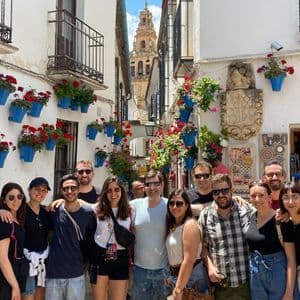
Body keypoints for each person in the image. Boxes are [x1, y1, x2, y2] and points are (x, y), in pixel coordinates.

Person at [199, 174, 252, 300]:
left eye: (225, 190)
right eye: (216, 191)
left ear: (232, 190)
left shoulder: (245, 210)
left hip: (246, 282)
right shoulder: (205, 215)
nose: (221, 195)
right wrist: (210, 266)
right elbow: (202, 247)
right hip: (220, 284)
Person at [45, 174, 96, 300]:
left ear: (79, 189)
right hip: (54, 273)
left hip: (76, 274)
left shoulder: (88, 212)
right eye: (65, 188)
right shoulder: (54, 210)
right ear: (61, 191)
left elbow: (92, 239)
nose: (69, 191)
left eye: (73, 188)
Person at [0, 177, 52, 300]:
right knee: (27, 295)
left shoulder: (45, 211)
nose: (40, 192)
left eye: (44, 190)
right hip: (23, 264)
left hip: (40, 262)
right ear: (29, 190)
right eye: (37, 189)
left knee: (40, 295)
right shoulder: (10, 217)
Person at [248, 180, 295, 300]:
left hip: (277, 272)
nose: (257, 199)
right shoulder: (249, 217)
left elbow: (291, 259)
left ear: (269, 197)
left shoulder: (281, 221)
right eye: (253, 196)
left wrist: (289, 292)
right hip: (255, 272)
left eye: (261, 195)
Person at [90, 176, 133, 300]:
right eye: (109, 190)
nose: (113, 193)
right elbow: (80, 204)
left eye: (116, 189)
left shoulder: (130, 210)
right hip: (100, 257)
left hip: (121, 258)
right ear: (105, 192)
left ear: (122, 191)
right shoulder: (97, 209)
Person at [130, 169, 170, 300]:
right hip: (139, 270)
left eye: (156, 183)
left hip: (163, 271)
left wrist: (233, 198)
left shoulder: (170, 205)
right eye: (148, 184)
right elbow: (108, 206)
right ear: (144, 187)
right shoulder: (135, 205)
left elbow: (193, 208)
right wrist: (64, 202)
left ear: (162, 185)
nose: (152, 187)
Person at [164, 189, 209, 299]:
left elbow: (189, 260)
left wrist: (178, 288)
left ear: (187, 206)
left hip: (191, 279)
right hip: (179, 277)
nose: (175, 206)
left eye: (179, 203)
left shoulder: (190, 225)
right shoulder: (174, 224)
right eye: (171, 203)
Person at [0, 182, 27, 300]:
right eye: (11, 197)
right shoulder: (5, 220)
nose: (16, 200)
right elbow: (2, 258)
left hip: (16, 272)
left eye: (19, 196)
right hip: (6, 276)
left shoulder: (15, 218)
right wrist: (15, 286)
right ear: (4, 200)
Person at [279, 183, 300, 298]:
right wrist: (288, 292)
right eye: (286, 197)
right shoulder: (286, 224)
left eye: (295, 196)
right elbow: (291, 259)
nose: (290, 202)